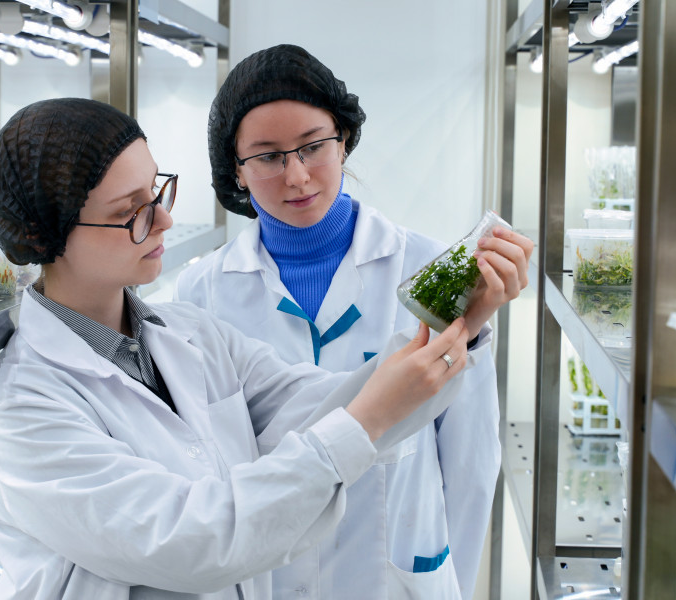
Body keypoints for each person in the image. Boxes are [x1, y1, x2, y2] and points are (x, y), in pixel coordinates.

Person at [0, 97, 481, 600]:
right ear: (44, 236)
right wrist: (365, 421)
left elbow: (320, 404)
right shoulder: (23, 411)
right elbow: (192, 542)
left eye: (157, 193)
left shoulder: (190, 333)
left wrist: (461, 320)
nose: (164, 221)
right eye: (131, 212)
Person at [175, 44, 534, 600]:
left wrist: (450, 584)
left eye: (313, 146)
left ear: (343, 140)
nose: (297, 176)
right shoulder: (201, 293)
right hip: (268, 577)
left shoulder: (426, 267)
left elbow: (471, 457)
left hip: (396, 576)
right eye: (267, 157)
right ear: (237, 172)